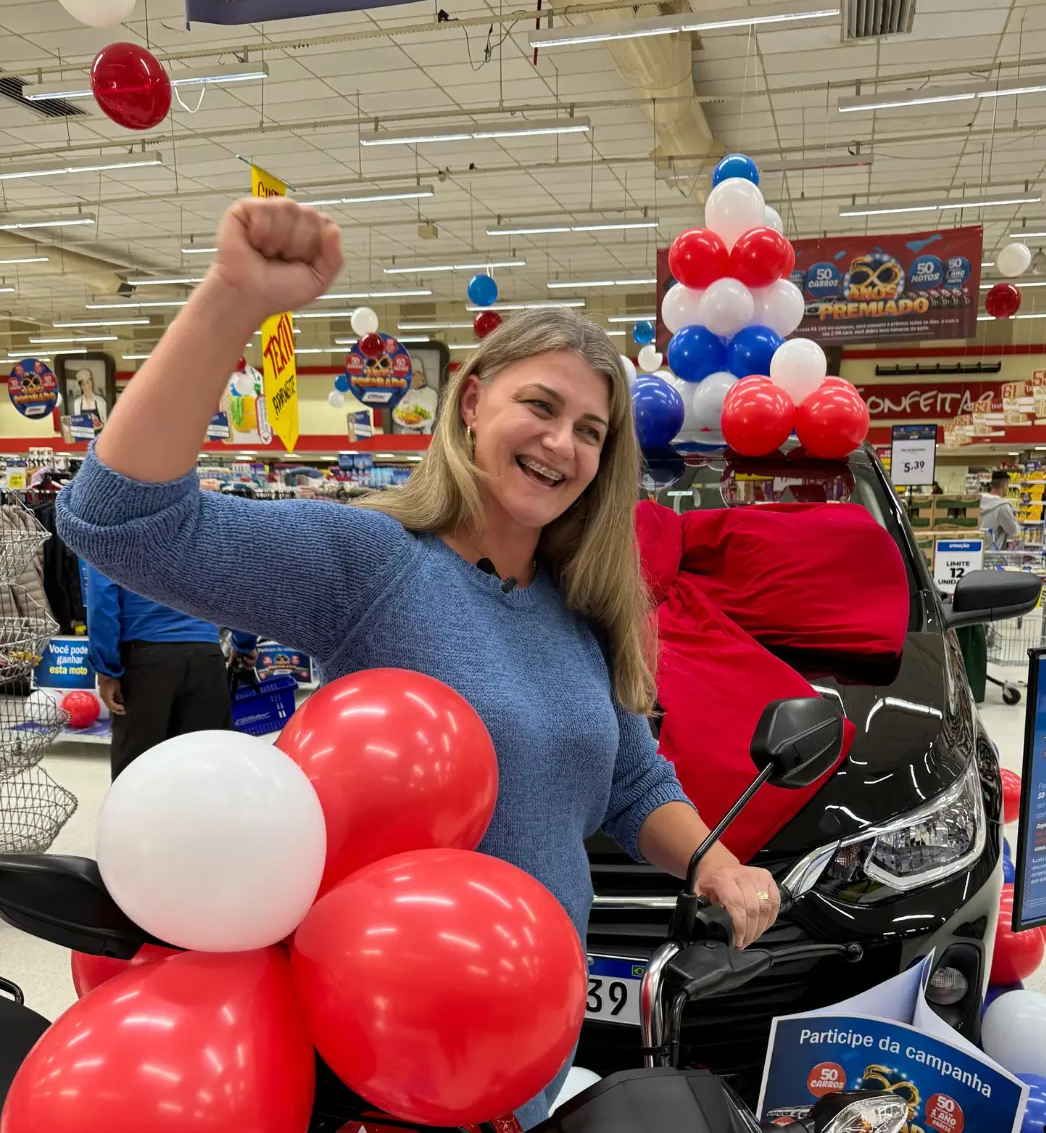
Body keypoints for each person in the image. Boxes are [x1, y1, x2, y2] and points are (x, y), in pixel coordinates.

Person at [56, 197, 781, 1128]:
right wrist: (233, 302)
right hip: (394, 1050)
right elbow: (121, 519)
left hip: (528, 1038)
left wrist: (713, 862)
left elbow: (629, 782)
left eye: (592, 431)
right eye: (541, 406)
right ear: (473, 401)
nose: (563, 444)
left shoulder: (584, 607)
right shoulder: (375, 565)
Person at [83, 564, 233, 780]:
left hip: (146, 660)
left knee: (136, 770)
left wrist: (107, 670)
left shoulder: (110, 532)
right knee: (204, 768)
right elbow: (234, 588)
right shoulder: (211, 530)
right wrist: (244, 643)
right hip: (206, 656)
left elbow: (102, 603)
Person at [980, 469, 1020, 550]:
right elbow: (1013, 531)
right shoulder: (1003, 506)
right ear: (1005, 485)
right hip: (992, 556)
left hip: (975, 552)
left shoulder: (977, 501)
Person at [71, 367, 108, 431]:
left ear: (91, 382)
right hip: (84, 437)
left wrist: (100, 426)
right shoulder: (77, 402)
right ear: (80, 386)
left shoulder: (101, 401)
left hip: (98, 437)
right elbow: (77, 422)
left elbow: (105, 423)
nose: (86, 386)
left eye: (88, 382)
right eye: (83, 384)